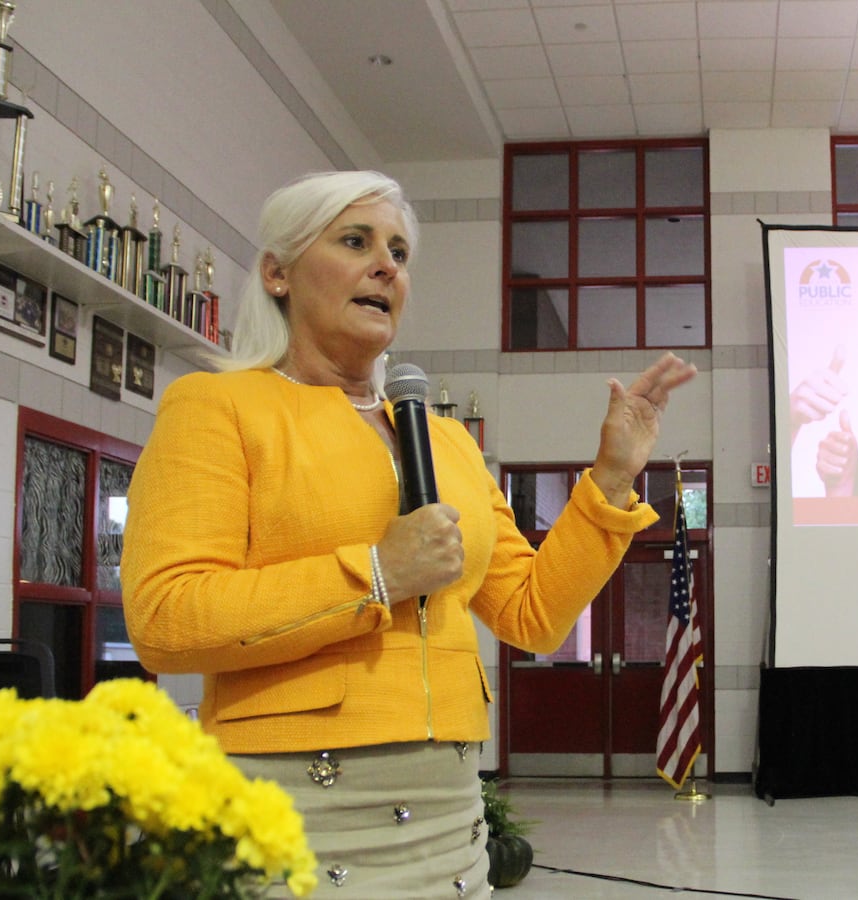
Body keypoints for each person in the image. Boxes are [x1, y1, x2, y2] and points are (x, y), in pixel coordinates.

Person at [120, 170, 696, 898]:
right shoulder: (216, 407)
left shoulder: (447, 442)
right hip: (292, 807)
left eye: (398, 251)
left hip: (451, 816)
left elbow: (534, 615)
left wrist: (611, 478)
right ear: (277, 272)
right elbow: (167, 619)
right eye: (356, 241)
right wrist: (376, 574)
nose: (387, 266)